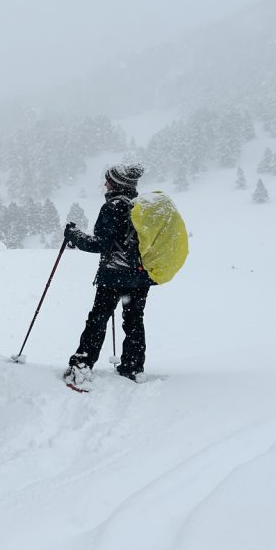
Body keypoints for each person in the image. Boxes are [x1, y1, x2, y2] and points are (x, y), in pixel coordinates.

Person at [63, 164, 152, 386]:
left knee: (98, 319)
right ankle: (133, 367)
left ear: (117, 183)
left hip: (114, 276)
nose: (105, 184)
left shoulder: (113, 206)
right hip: (140, 276)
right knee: (134, 320)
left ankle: (82, 366)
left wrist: (74, 235)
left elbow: (99, 244)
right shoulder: (141, 206)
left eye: (108, 181)